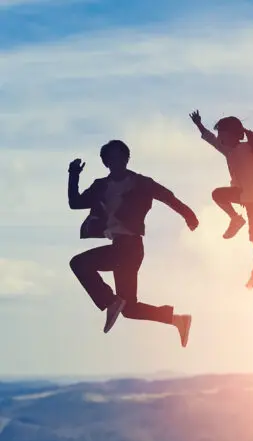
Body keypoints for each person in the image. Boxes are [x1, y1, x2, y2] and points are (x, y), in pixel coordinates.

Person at [67, 140, 198, 347]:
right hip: (119, 247)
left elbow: (167, 196)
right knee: (129, 309)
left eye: (121, 157)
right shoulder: (100, 186)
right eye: (112, 158)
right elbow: (75, 203)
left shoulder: (140, 182)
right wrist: (73, 175)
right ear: (106, 162)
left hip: (130, 247)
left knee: (79, 263)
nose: (117, 161)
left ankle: (110, 301)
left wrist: (188, 215)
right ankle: (177, 320)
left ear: (127, 159)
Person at [189, 110, 253, 288]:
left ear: (232, 134)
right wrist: (199, 124)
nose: (219, 137)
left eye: (222, 134)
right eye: (219, 134)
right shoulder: (229, 150)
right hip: (244, 194)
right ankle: (236, 219)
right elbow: (211, 140)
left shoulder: (249, 148)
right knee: (217, 195)